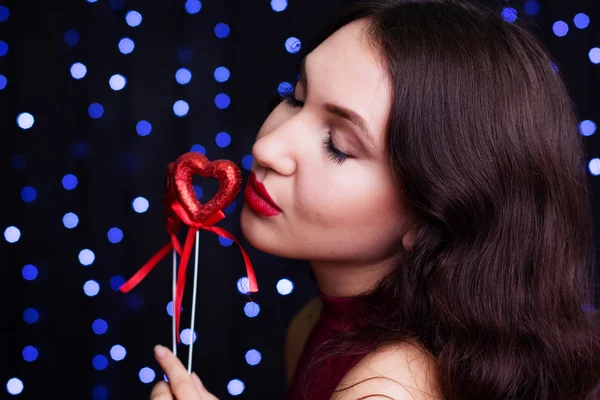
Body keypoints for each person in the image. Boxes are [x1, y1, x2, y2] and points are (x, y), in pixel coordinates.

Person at [150, 0, 600, 398]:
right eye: (295, 97)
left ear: (431, 215)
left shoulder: (384, 390)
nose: (266, 149)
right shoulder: (311, 323)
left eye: (338, 145)